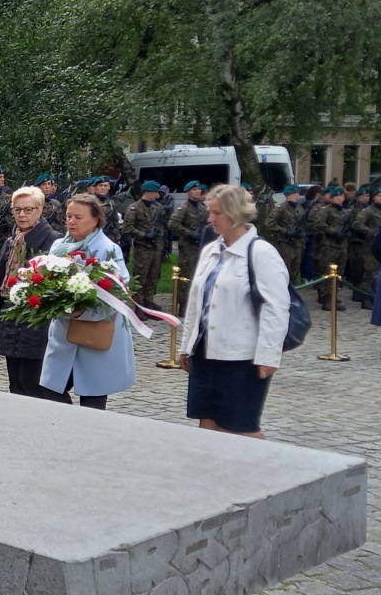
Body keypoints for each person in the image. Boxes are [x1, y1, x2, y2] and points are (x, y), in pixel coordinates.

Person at [179, 184, 289, 439]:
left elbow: (276, 308)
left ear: (236, 213)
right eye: (209, 212)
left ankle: (271, 463)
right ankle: (211, 464)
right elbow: (196, 302)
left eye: (217, 213)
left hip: (241, 357)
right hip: (205, 351)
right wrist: (186, 346)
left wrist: (268, 355)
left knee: (240, 427)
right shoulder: (211, 249)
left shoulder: (261, 252)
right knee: (207, 421)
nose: (210, 218)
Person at [39, 193, 136, 409]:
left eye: (78, 217)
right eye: (68, 216)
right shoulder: (58, 246)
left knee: (93, 397)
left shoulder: (108, 249)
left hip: (96, 333)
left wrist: (82, 311)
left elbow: (119, 292)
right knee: (50, 388)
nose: (71, 221)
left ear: (95, 220)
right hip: (65, 334)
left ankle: (87, 428)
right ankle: (68, 424)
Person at [0, 186, 70, 401]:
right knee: (17, 385)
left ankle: (62, 417)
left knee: (36, 384)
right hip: (11, 321)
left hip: (39, 325)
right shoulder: (12, 242)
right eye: (17, 210)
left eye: (28, 210)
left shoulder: (55, 242)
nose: (22, 215)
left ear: (40, 210)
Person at [122, 180, 167, 312]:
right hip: (142, 248)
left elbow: (163, 224)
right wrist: (144, 235)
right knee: (140, 276)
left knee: (153, 276)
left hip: (156, 247)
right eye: (156, 193)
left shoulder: (157, 207)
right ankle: (139, 305)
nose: (157, 196)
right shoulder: (134, 208)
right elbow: (127, 228)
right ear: (148, 192)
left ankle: (149, 301)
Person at [168, 181, 206, 311]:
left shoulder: (202, 208)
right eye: (195, 189)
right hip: (188, 247)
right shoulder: (183, 208)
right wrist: (188, 233)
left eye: (199, 189)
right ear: (188, 192)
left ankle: (195, 302)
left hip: (200, 246)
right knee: (186, 275)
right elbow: (172, 224)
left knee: (198, 274)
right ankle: (183, 304)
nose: (198, 191)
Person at [313, 186, 349, 311]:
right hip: (329, 246)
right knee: (328, 272)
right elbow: (318, 223)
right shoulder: (326, 210)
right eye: (336, 196)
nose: (339, 198)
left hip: (342, 246)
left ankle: (334, 295)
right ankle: (326, 298)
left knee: (339, 273)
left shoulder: (345, 212)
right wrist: (333, 231)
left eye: (341, 196)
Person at [265, 184, 305, 283]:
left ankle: (292, 288)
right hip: (285, 243)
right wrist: (285, 231)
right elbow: (269, 223)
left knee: (295, 268)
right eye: (294, 193)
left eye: (297, 193)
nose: (296, 195)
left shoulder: (299, 208)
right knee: (285, 269)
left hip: (297, 243)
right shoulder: (281, 208)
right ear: (287, 195)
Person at [352, 187, 381, 311]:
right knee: (370, 273)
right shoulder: (368, 211)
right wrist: (371, 232)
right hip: (371, 246)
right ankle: (366, 299)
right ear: (374, 197)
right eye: (379, 195)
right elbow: (357, 224)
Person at [345, 185, 371, 305]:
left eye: (368, 196)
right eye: (364, 196)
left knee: (365, 267)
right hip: (356, 241)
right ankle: (356, 291)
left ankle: (362, 291)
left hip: (366, 242)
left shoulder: (368, 208)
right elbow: (351, 224)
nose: (366, 198)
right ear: (359, 197)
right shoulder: (354, 209)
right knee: (357, 267)